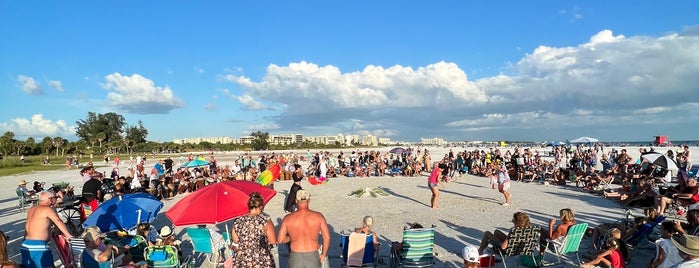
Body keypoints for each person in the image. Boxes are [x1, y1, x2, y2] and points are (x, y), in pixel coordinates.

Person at [277, 190, 330, 268]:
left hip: (295, 255)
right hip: (312, 254)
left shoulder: (288, 218)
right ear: (309, 200)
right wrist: (323, 254)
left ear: (296, 200)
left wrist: (291, 237)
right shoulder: (318, 217)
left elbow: (280, 239)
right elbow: (327, 238)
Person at [20, 191, 74, 267]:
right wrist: (68, 235)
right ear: (50, 199)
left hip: (25, 244)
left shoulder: (31, 209)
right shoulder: (47, 209)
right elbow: (58, 221)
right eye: (56, 198)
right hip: (38, 246)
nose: (57, 199)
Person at [230, 192, 276, 268]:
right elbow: (273, 241)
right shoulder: (265, 220)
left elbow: (235, 240)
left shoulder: (238, 220)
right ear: (260, 207)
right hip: (261, 258)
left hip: (242, 258)